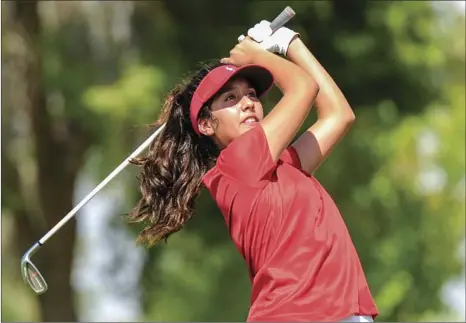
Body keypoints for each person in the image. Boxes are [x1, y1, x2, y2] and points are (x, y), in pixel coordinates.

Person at [127, 20, 379, 322]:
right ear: (206, 125)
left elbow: (339, 115)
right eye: (230, 98)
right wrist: (257, 56)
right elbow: (303, 87)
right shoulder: (235, 163)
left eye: (252, 95)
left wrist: (289, 42)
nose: (247, 103)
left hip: (332, 313)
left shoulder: (284, 164)